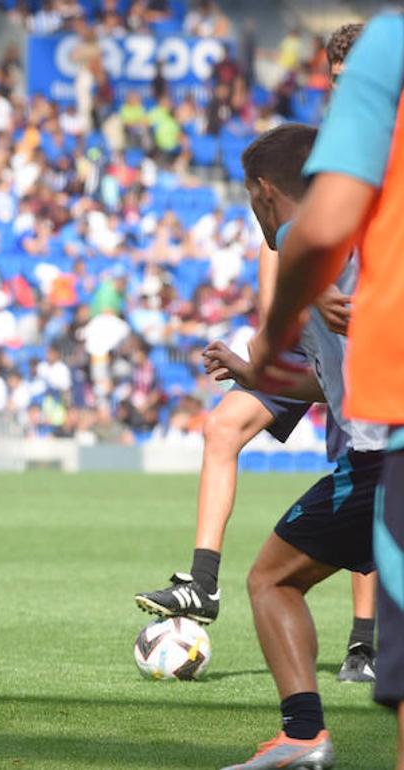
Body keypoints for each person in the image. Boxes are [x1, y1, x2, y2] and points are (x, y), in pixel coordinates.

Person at [134, 24, 377, 687]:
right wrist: (266, 348)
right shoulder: (313, 151)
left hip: (359, 355)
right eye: (335, 70)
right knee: (227, 426)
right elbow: (289, 245)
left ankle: (359, 648)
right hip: (307, 337)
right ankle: (203, 583)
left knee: (360, 472)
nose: (341, 81)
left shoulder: (371, 152)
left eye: (354, 69)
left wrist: (321, 288)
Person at [206, 123, 385, 770]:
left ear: (263, 192)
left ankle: (303, 737)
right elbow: (331, 376)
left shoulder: (309, 241)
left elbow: (309, 247)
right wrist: (258, 377)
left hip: (381, 459)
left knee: (271, 579)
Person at [255, 11, 404, 770]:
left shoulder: (322, 209)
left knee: (271, 577)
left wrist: (286, 315)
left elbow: (317, 236)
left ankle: (303, 734)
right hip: (373, 431)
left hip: (388, 442)